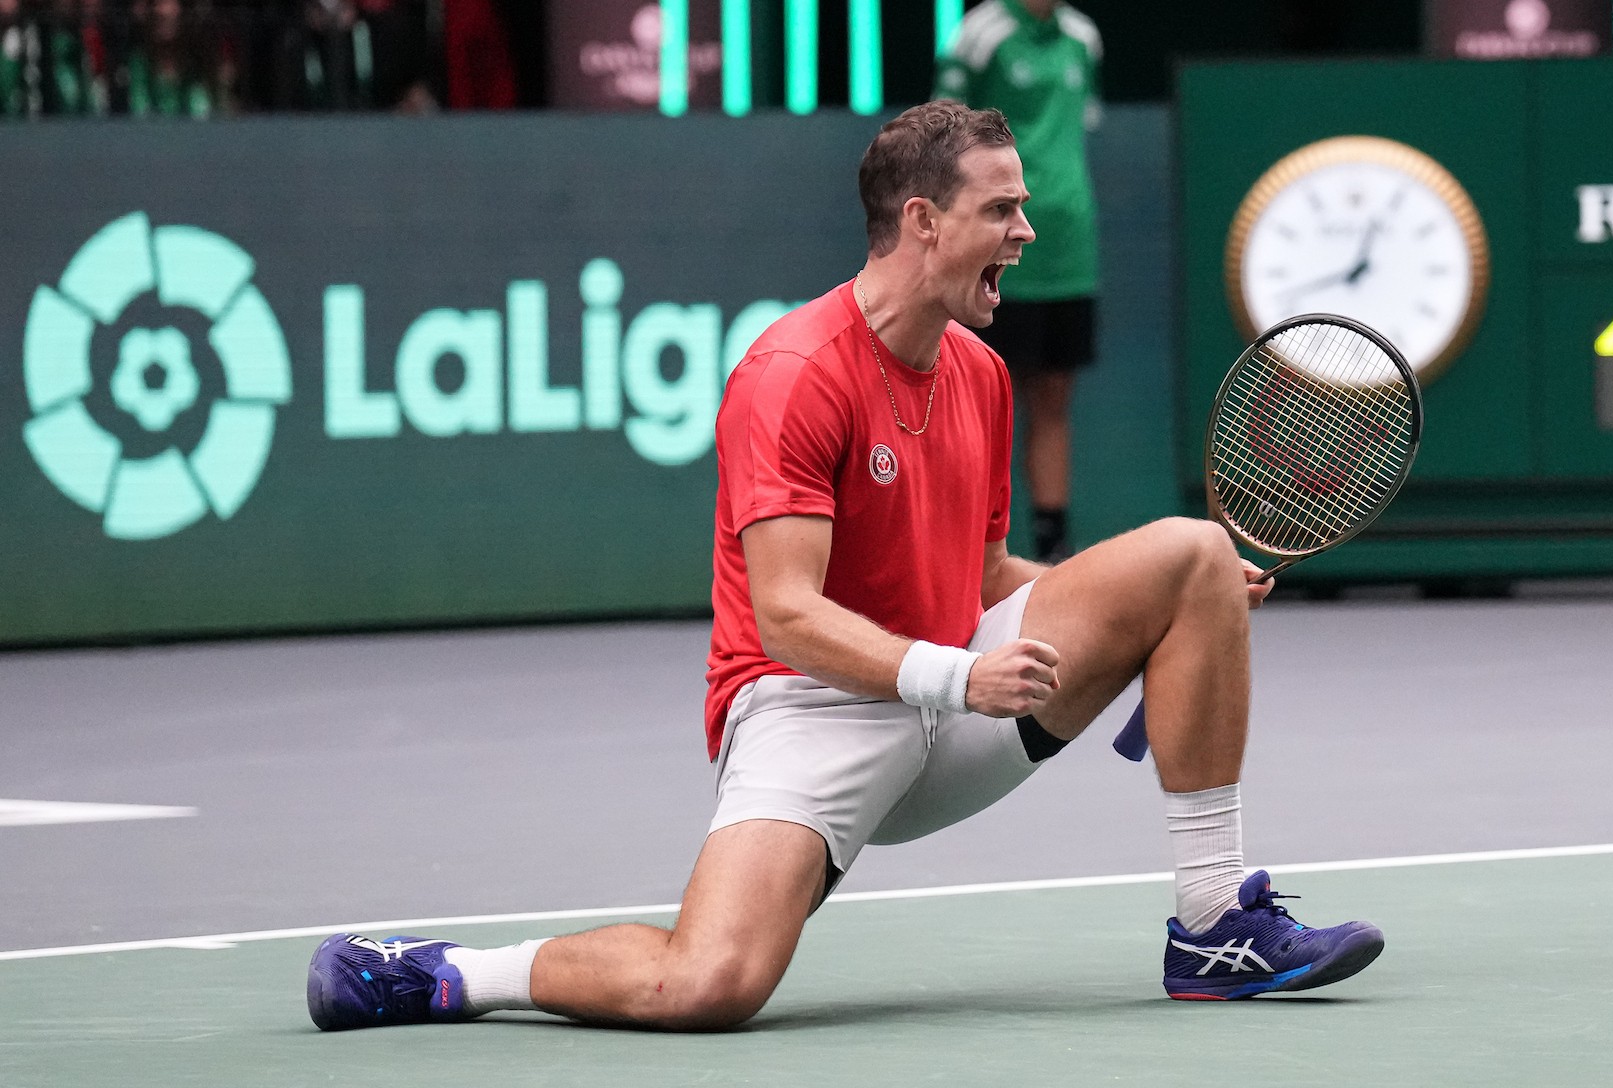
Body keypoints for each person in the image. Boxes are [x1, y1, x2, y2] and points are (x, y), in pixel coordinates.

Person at [305, 101, 1383, 1033]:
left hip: (945, 695)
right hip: (809, 705)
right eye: (1000, 210)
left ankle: (1209, 926)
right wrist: (957, 676)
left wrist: (1168, 608)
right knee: (710, 982)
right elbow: (785, 616)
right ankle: (442, 971)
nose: (1027, 228)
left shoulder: (980, 373)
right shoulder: (792, 373)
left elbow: (986, 571)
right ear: (921, 222)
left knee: (1191, 552)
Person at [937, 0, 1100, 563]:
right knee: (980, 399)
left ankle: (1053, 546)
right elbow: (941, 138)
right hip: (995, 245)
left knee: (1054, 398)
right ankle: (968, 546)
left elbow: (1080, 127)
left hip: (1070, 246)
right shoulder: (981, 35)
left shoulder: (1084, 36)